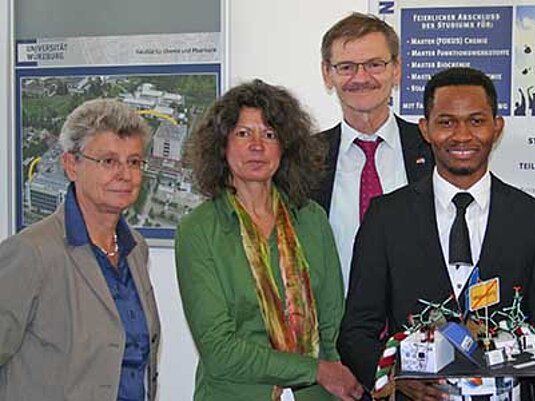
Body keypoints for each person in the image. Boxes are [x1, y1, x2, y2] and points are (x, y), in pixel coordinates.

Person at [338, 67, 535, 400]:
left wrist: (502, 367)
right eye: (446, 122)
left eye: (476, 121)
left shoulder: (534, 218)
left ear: (497, 126)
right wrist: (399, 373)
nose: (462, 136)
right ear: (425, 129)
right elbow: (356, 333)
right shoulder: (386, 217)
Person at [175, 80, 363, 401]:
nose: (257, 145)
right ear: (222, 145)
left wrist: (332, 377)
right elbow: (220, 351)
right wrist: (315, 370)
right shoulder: (199, 229)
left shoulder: (311, 219)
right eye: (243, 133)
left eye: (270, 134)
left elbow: (332, 323)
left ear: (285, 147)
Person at [0, 99, 160, 401]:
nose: (125, 174)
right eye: (109, 161)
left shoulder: (136, 249)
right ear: (71, 165)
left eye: (134, 161)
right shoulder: (31, 253)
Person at [315, 12, 435, 293]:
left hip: (420, 329)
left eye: (374, 64)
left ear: (397, 70)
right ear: (327, 74)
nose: (361, 78)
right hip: (333, 328)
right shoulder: (303, 159)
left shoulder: (433, 149)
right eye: (346, 67)